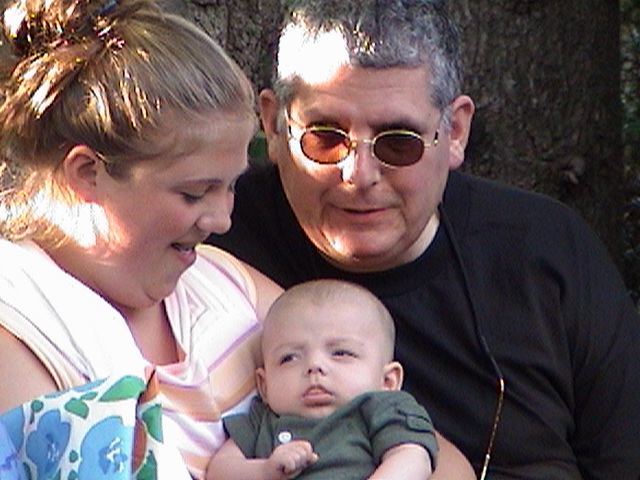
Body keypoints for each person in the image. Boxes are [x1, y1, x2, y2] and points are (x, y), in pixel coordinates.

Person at [207, 0, 640, 479]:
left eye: (398, 142)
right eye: (325, 137)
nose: (358, 175)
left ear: (455, 132)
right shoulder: (208, 238)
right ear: (273, 124)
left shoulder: (548, 250)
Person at [0, 0, 285, 478]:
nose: (222, 219)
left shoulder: (226, 284)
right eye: (194, 193)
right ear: (87, 173)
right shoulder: (21, 330)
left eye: (231, 185)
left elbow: (392, 422)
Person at [207, 279, 438, 480]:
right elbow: (219, 471)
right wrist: (264, 471)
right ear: (264, 386)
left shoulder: (382, 409)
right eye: (289, 358)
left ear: (387, 381)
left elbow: (413, 459)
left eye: (341, 353)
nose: (314, 366)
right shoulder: (260, 422)